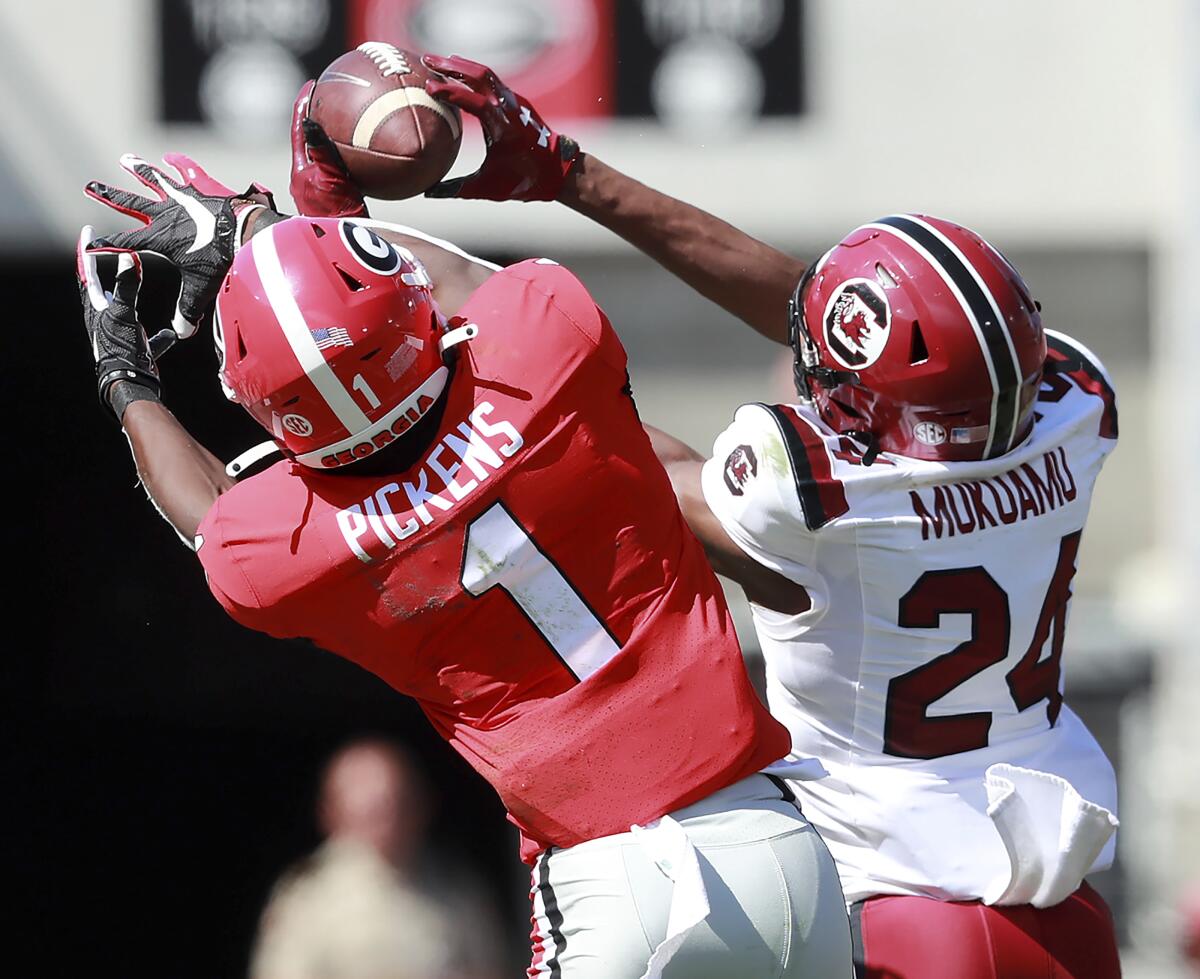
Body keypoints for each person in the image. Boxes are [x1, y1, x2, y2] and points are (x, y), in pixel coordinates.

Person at [74, 102, 851, 977]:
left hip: (606, 883)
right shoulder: (545, 346)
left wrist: (125, 371)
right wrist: (265, 228)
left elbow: (207, 507)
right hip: (774, 845)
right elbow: (435, 280)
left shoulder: (289, 554)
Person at [398, 55, 1125, 978]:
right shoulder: (1072, 414)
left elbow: (593, 438)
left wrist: (350, 276)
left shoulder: (820, 500)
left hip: (886, 912)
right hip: (1064, 910)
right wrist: (567, 175)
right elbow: (820, 319)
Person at [251, 739, 505, 979]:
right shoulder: (305, 896)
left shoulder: (459, 888)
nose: (387, 822)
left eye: (396, 805)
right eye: (369, 810)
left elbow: (491, 968)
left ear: (422, 807)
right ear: (332, 813)